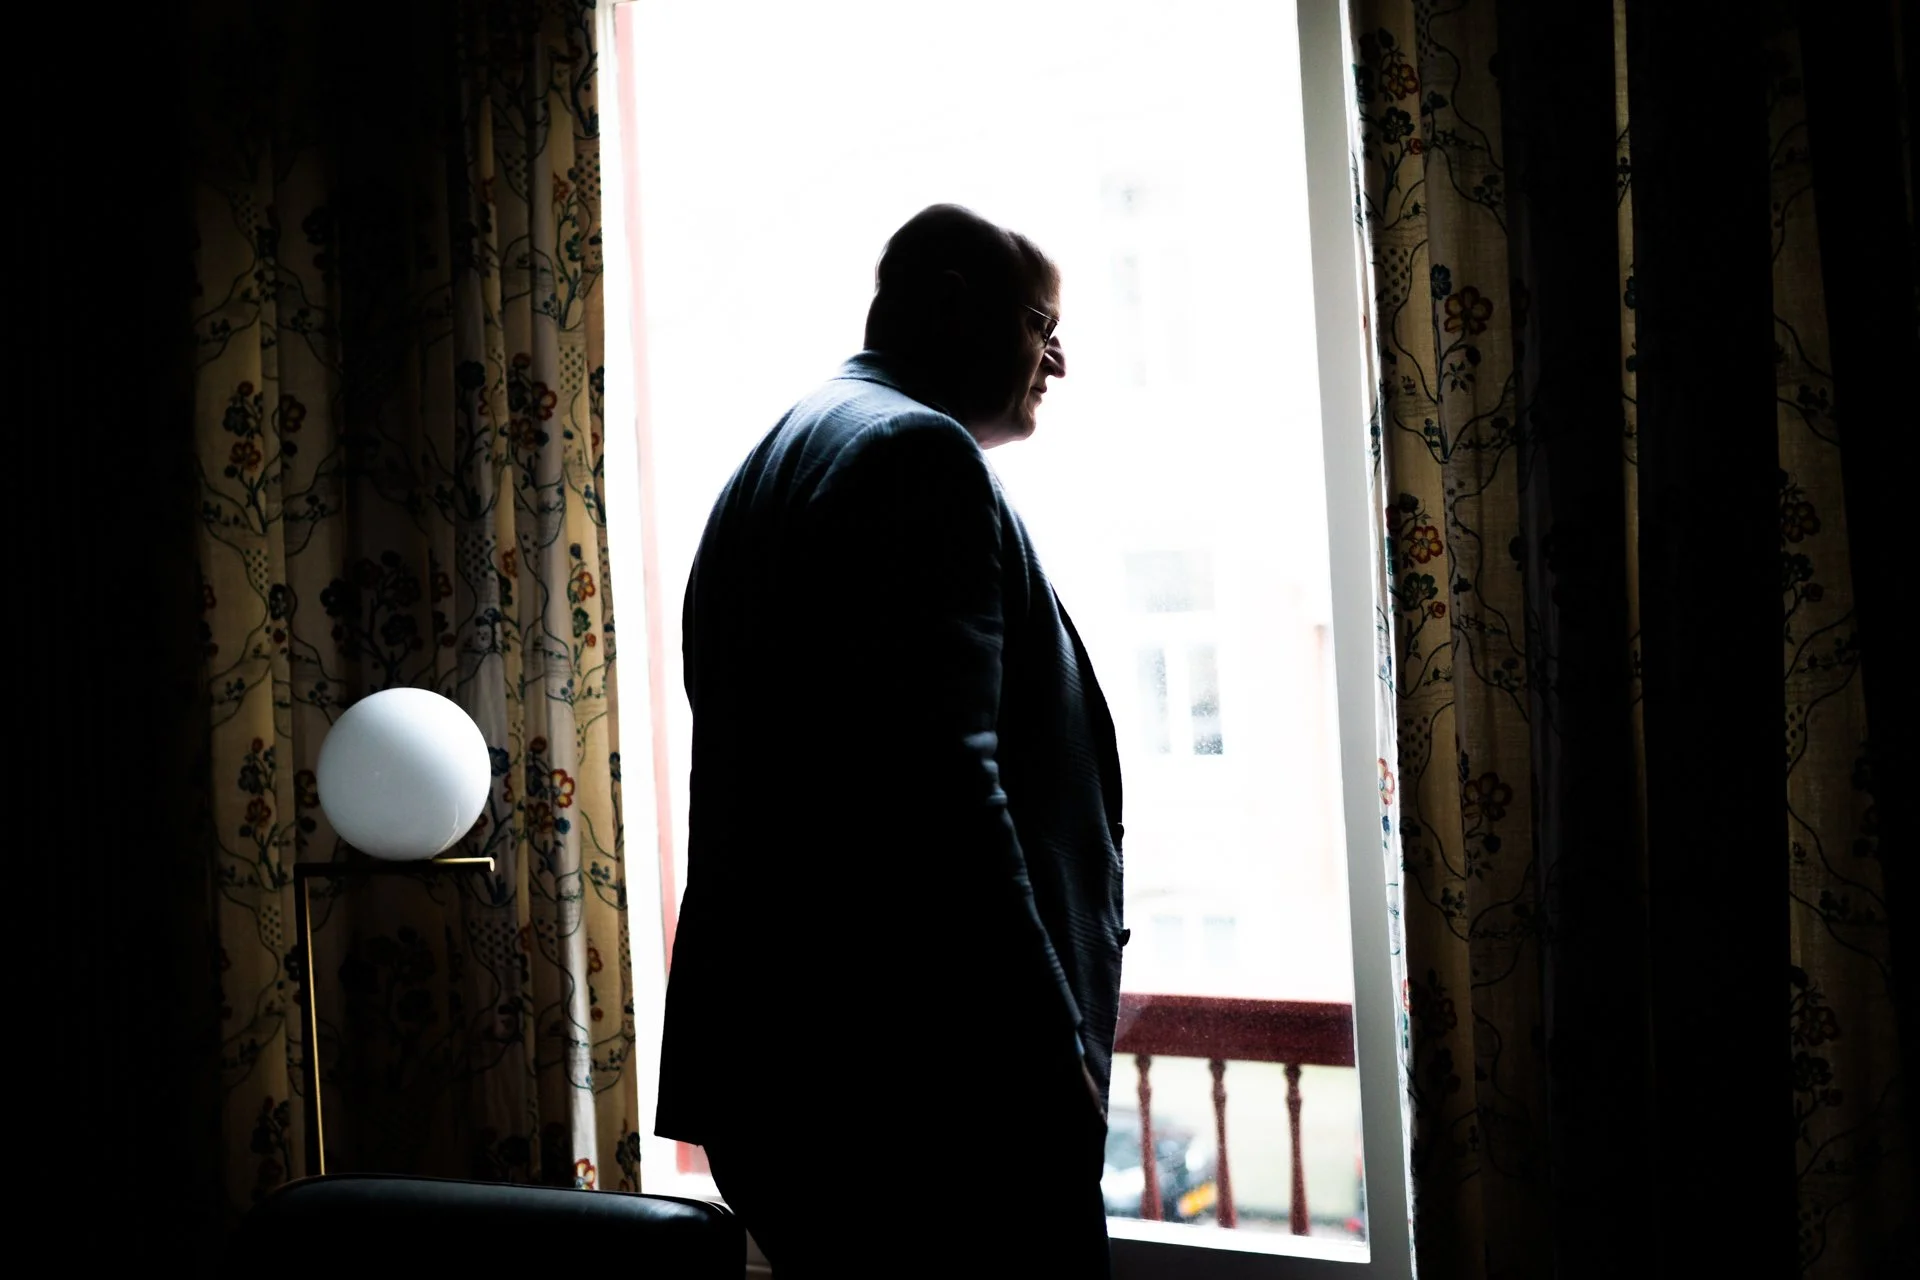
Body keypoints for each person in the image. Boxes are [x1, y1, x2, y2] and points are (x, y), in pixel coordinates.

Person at [655, 204, 1127, 1277]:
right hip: (928, 1092)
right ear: (954, 302)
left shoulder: (787, 450)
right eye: (1040, 320)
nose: (1059, 357)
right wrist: (1052, 1054)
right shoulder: (917, 455)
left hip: (802, 1075)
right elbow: (946, 792)